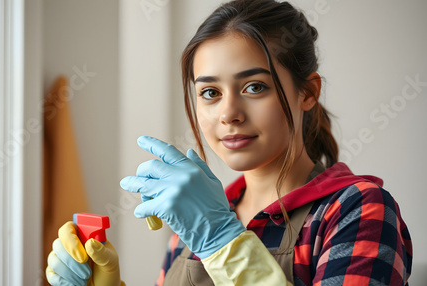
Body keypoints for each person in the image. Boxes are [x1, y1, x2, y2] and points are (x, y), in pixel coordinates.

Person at [45, 0, 413, 285]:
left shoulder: (356, 210)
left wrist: (222, 242)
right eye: (209, 92)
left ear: (308, 92)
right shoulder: (195, 222)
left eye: (255, 87)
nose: (229, 113)